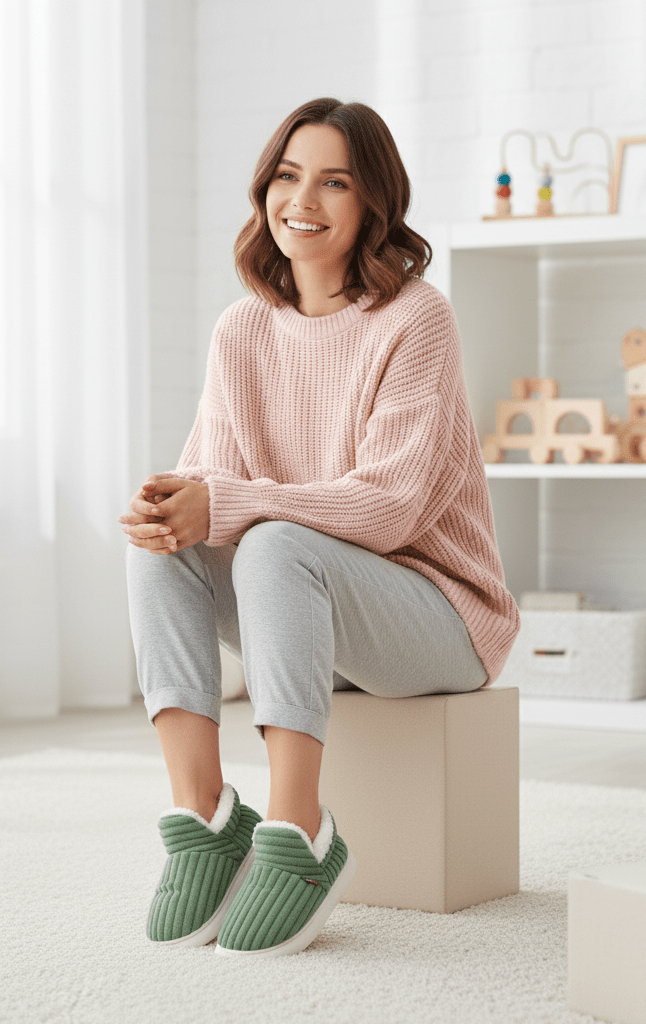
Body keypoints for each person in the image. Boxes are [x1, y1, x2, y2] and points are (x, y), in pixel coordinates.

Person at [119, 97, 519, 958]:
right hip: (302, 597)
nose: (305, 198)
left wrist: (229, 503)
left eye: (335, 181)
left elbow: (390, 507)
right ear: (266, 191)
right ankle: (206, 817)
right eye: (289, 176)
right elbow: (213, 475)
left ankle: (299, 833)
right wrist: (171, 505)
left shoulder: (416, 317)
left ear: (374, 203)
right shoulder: (242, 329)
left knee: (267, 537)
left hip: (439, 616)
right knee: (161, 554)